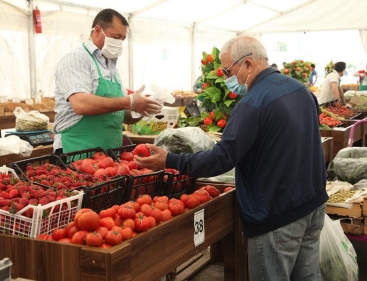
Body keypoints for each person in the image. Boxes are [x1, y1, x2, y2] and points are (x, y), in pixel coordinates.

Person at [135, 36, 328, 281]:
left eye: (228, 70)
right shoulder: (301, 89)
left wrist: (170, 160)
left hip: (277, 215)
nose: (227, 78)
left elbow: (222, 159)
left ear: (248, 64)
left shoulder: (253, 104)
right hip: (312, 205)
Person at [53, 9, 162, 154]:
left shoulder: (112, 69)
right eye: (116, 37)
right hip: (76, 152)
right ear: (98, 30)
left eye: (122, 39)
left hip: (109, 158)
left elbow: (120, 115)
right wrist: (129, 101)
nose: (119, 43)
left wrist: (141, 109)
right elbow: (80, 104)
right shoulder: (77, 59)